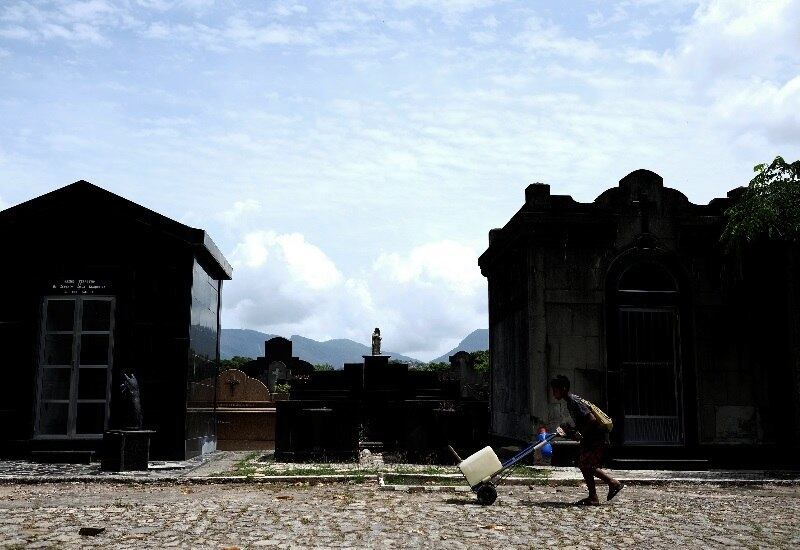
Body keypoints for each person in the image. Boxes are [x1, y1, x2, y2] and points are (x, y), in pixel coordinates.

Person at [550, 375, 623, 505]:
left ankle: (613, 483)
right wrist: (570, 430)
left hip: (596, 438)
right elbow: (583, 421)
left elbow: (591, 419)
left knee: (587, 465)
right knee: (584, 465)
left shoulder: (574, 401)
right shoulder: (570, 402)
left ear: (564, 388)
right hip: (590, 438)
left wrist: (580, 433)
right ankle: (593, 496)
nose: (553, 393)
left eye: (555, 390)